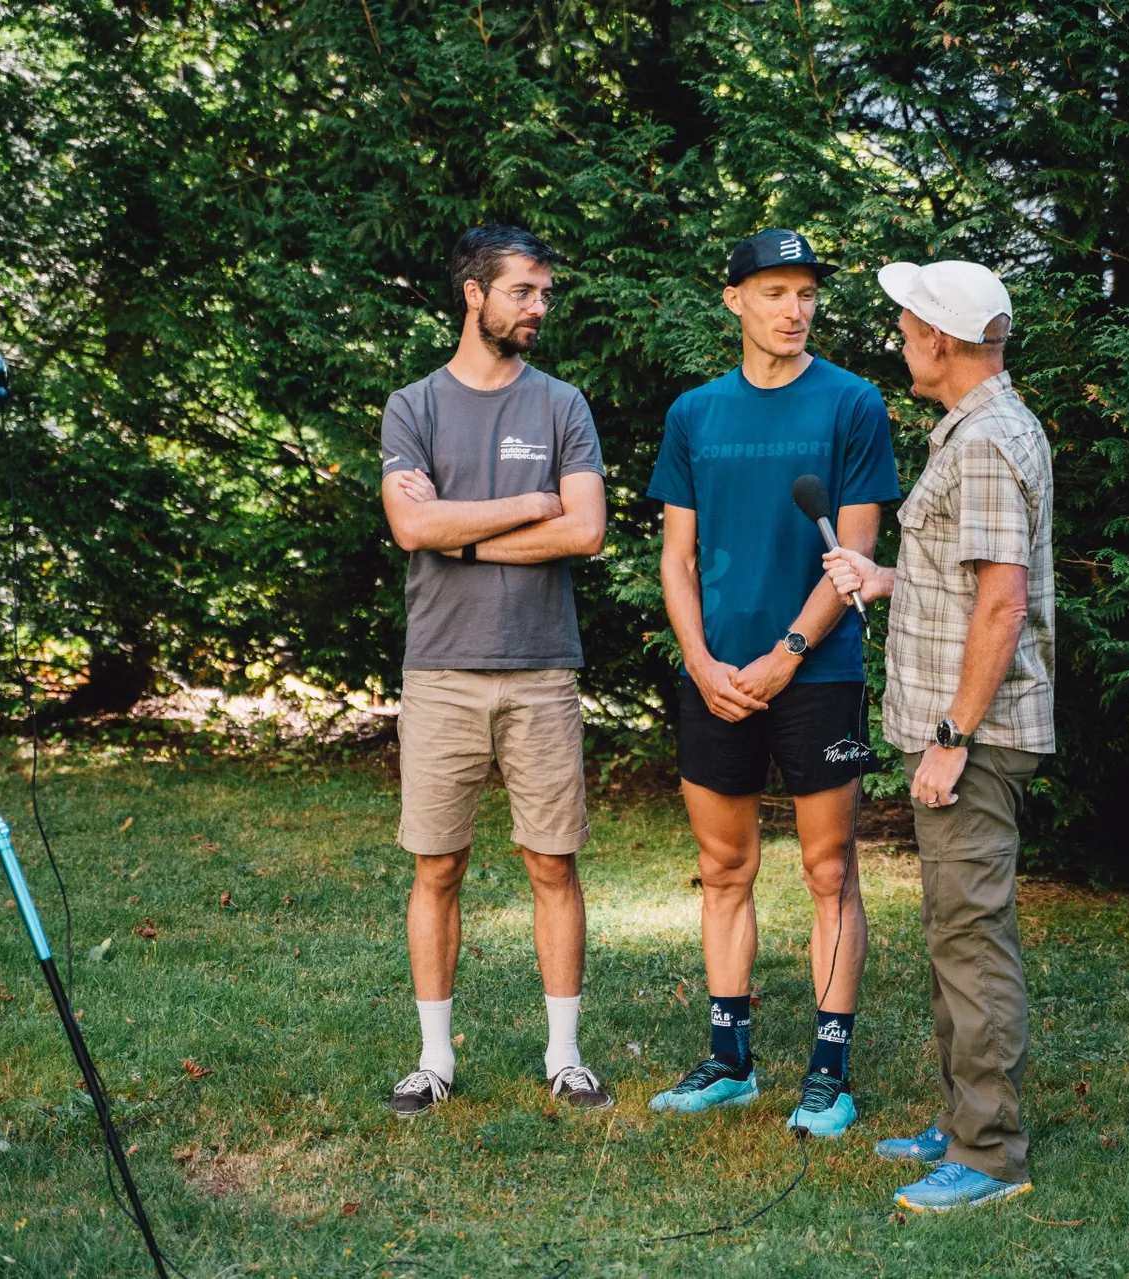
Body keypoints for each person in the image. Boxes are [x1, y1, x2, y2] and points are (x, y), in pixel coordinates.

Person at [644, 229, 902, 1138]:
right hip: (715, 676)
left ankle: (829, 1073)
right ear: (735, 301)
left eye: (806, 294)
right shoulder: (694, 414)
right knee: (724, 868)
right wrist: (704, 663)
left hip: (817, 669)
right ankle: (731, 1060)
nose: (794, 310)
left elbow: (857, 554)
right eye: (775, 292)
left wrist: (787, 653)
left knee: (829, 869)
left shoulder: (854, 403)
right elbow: (676, 558)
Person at [822, 259, 1055, 1212]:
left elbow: (1001, 605)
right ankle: (960, 1120)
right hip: (959, 727)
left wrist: (953, 733)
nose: (900, 337)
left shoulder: (989, 443)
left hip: (976, 732)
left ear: (946, 344)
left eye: (910, 324)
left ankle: (991, 1153)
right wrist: (883, 579)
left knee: (970, 935)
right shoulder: (971, 431)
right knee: (951, 929)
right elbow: (964, 579)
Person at [376, 225, 611, 1117]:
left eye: (545, 292)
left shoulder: (561, 405)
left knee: (553, 863)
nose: (539, 307)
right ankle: (433, 1059)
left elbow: (584, 532)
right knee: (437, 866)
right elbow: (411, 530)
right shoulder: (414, 407)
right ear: (474, 294)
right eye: (524, 291)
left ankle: (565, 1053)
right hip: (440, 670)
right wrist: (527, 505)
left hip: (542, 668)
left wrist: (462, 531)